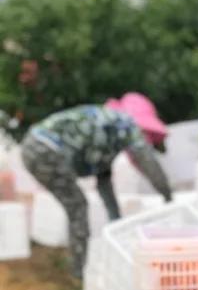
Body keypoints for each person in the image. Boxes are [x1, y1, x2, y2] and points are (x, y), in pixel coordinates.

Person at [19, 92, 173, 276]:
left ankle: (80, 266)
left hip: (32, 147)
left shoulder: (108, 133)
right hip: (45, 148)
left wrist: (116, 222)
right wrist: (168, 196)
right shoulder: (126, 124)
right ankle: (79, 272)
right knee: (77, 206)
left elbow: (104, 182)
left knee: (76, 205)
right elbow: (148, 162)